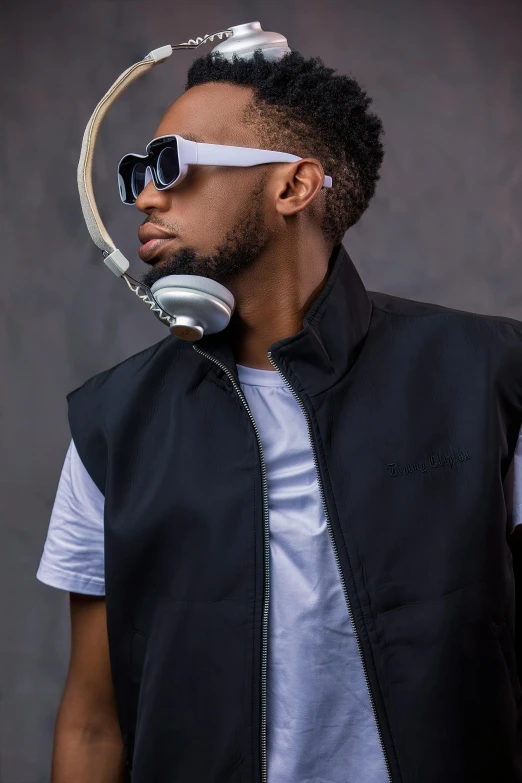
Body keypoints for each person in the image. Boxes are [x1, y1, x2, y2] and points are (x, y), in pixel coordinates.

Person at [37, 49, 522, 783]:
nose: (145, 198)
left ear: (292, 184)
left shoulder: (489, 376)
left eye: (171, 165)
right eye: (138, 173)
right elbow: (93, 721)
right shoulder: (111, 427)